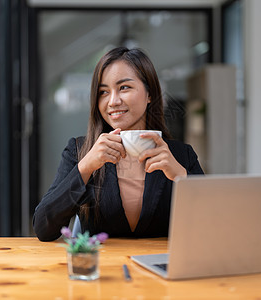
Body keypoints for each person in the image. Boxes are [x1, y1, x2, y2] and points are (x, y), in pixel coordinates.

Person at [33, 47, 204, 241]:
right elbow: (43, 228)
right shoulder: (80, 151)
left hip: (162, 268)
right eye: (103, 92)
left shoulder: (181, 155)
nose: (113, 101)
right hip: (103, 269)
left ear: (149, 94)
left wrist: (181, 176)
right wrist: (86, 167)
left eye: (124, 88)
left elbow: (214, 226)